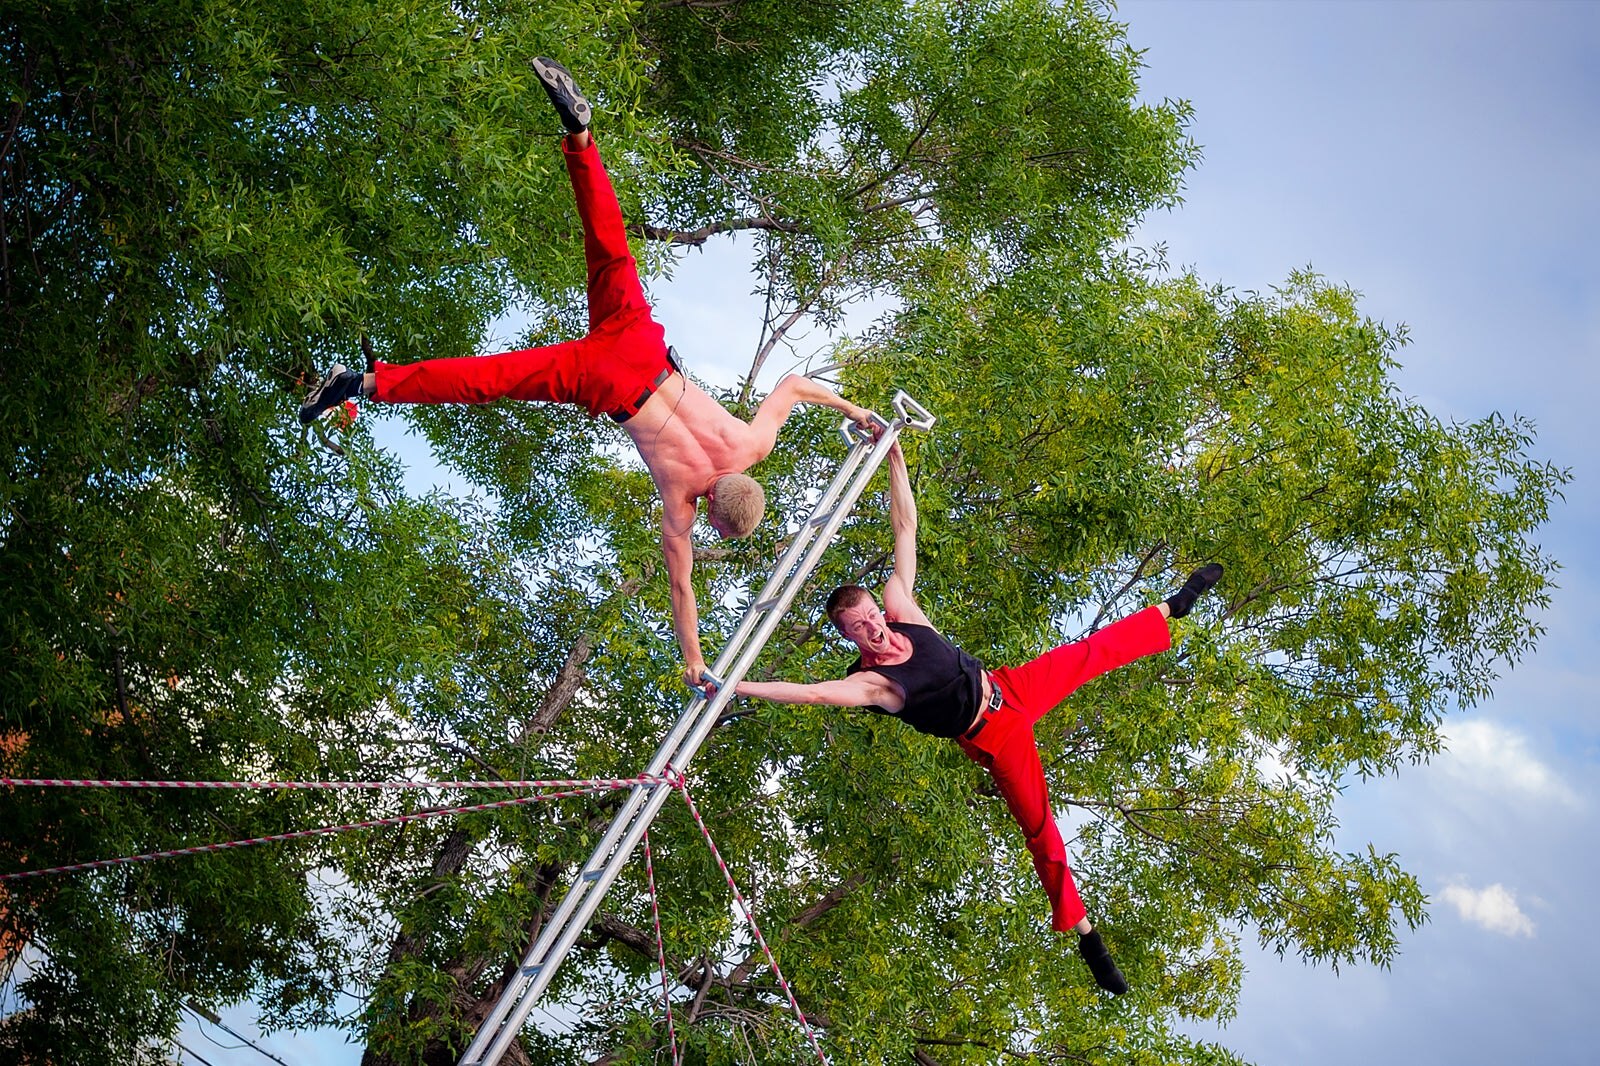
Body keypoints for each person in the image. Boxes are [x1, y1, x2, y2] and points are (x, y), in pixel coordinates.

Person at [299, 59, 876, 689]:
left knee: (608, 240)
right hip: (607, 382)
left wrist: (854, 411)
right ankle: (365, 384)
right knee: (488, 379)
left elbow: (793, 385)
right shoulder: (682, 501)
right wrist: (693, 659)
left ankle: (580, 135)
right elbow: (681, 585)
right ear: (715, 506)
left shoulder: (750, 444)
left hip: (643, 346)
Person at [734, 440, 1222, 993]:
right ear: (849, 638)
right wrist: (738, 686)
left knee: (1088, 653)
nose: (874, 628)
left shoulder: (902, 610)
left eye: (871, 615)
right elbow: (814, 694)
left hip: (1009, 687)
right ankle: (1086, 935)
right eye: (860, 629)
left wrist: (895, 460)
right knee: (1040, 829)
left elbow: (905, 529)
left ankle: (1171, 607)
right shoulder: (872, 683)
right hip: (994, 736)